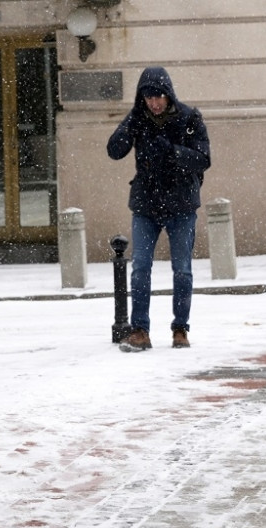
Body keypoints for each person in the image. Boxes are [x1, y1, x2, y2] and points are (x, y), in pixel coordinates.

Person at [107, 66, 210, 352]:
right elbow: (114, 150)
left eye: (159, 97)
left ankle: (180, 329)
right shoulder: (138, 118)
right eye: (148, 98)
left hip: (181, 203)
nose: (154, 103)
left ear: (169, 95)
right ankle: (140, 330)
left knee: (182, 270)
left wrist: (173, 152)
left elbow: (203, 159)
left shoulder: (189, 118)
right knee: (140, 267)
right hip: (146, 203)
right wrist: (131, 124)